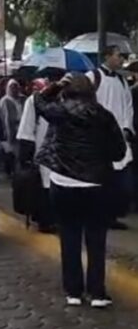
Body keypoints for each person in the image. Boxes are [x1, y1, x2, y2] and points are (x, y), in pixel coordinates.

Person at [36, 74, 126, 307]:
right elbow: (118, 152)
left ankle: (73, 291)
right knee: (96, 239)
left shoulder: (60, 112)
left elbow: (39, 101)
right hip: (96, 185)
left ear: (68, 91)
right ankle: (97, 292)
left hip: (63, 183)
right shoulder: (104, 116)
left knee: (69, 237)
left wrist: (55, 85)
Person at [87, 46, 134, 229]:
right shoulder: (93, 77)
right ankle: (101, 216)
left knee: (119, 182)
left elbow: (127, 107)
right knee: (102, 181)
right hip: (100, 139)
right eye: (118, 56)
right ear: (107, 56)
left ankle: (113, 215)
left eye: (123, 57)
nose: (122, 59)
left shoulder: (122, 81)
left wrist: (127, 128)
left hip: (121, 138)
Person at [16, 78, 55, 232]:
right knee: (44, 186)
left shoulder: (67, 99)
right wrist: (25, 156)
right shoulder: (34, 101)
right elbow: (26, 128)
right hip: (42, 150)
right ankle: (45, 220)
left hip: (61, 153)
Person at [0, 79, 23, 176]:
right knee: (11, 153)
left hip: (22, 129)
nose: (14, 89)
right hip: (11, 130)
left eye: (16, 87)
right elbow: (4, 117)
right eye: (12, 87)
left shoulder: (23, 99)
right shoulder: (4, 101)